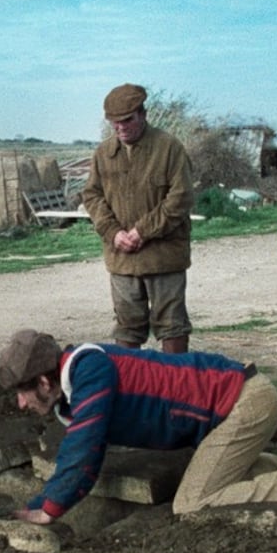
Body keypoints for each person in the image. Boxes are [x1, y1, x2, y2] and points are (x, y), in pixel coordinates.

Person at [0, 329, 277, 523]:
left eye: (22, 393)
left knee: (192, 503)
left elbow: (82, 451)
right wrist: (36, 505)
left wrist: (49, 510)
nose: (21, 404)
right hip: (238, 402)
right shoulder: (76, 386)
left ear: (44, 382)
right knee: (218, 473)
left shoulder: (88, 370)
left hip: (244, 404)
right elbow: (83, 455)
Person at [80, 83, 195, 353]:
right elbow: (92, 196)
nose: (120, 128)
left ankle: (175, 386)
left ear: (143, 114)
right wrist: (112, 232)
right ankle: (133, 388)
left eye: (126, 121)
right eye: (114, 123)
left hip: (164, 257)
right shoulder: (103, 154)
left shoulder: (169, 148)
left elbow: (181, 198)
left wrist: (143, 231)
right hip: (122, 259)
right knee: (127, 327)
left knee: (172, 325)